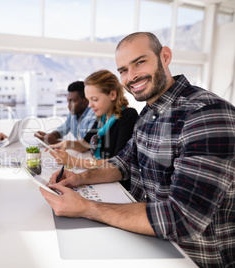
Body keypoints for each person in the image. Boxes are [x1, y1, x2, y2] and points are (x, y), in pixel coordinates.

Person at [40, 32, 234, 267]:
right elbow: (122, 164)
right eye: (122, 70)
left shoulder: (206, 114)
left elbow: (182, 218)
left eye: (140, 62)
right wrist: (79, 179)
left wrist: (87, 207)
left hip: (189, 257)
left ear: (165, 56)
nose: (131, 76)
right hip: (148, 239)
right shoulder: (147, 114)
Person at [49, 70, 138, 190]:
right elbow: (85, 144)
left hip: (119, 186)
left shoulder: (128, 116)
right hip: (102, 179)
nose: (90, 105)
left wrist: (74, 161)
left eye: (94, 99)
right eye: (88, 100)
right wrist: (66, 144)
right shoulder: (102, 117)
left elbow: (117, 163)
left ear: (112, 95)